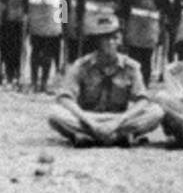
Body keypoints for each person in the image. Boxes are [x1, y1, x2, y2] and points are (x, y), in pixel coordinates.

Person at [47, 14, 164, 147]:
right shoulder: (81, 66)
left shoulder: (130, 67)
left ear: (120, 40)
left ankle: (90, 137)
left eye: (115, 37)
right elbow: (65, 98)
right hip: (88, 118)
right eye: (106, 38)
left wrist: (118, 122)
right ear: (96, 42)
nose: (111, 42)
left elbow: (142, 100)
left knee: (156, 112)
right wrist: (92, 123)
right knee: (54, 113)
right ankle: (117, 137)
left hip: (118, 119)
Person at [116, 0, 164, 83]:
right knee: (133, 59)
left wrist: (160, 31)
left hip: (150, 28)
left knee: (147, 59)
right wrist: (123, 30)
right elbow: (124, 10)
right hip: (134, 26)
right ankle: (133, 86)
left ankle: (145, 87)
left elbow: (162, 9)